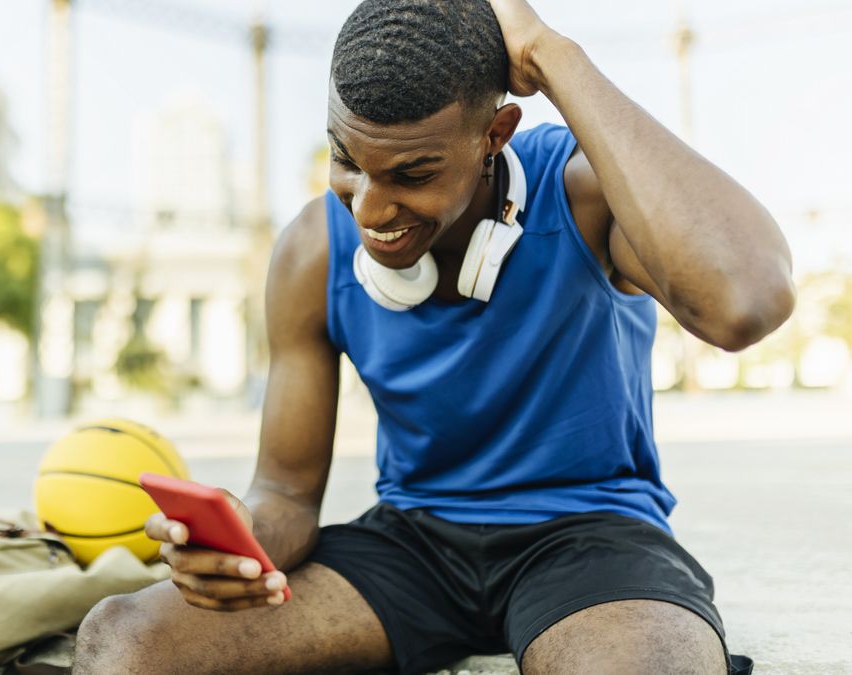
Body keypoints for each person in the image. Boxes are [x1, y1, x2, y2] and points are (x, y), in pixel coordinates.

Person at [73, 1, 794, 673]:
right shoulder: (311, 251)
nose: (371, 207)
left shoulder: (583, 194)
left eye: (412, 173)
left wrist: (553, 56)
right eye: (347, 161)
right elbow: (287, 493)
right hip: (413, 544)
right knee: (126, 638)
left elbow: (744, 302)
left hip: (590, 537)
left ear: (494, 134)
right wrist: (243, 540)